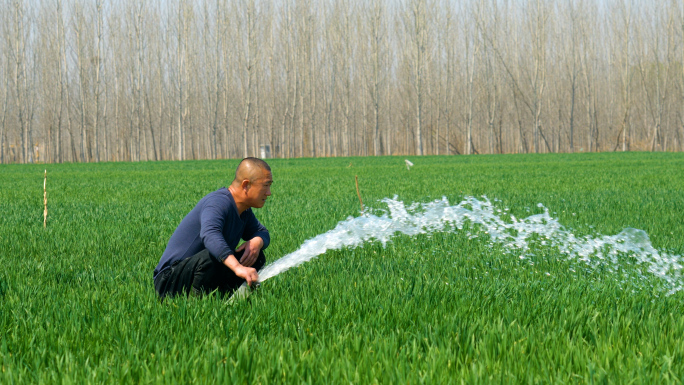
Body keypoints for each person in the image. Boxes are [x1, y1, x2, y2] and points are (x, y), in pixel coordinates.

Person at [153, 157, 273, 299]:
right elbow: (210, 235)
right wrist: (238, 268)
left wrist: (256, 242)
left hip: (197, 271)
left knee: (256, 255)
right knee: (211, 257)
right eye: (265, 186)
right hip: (169, 280)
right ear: (246, 185)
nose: (269, 193)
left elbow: (262, 232)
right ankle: (196, 306)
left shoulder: (244, 210)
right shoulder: (218, 202)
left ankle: (227, 300)